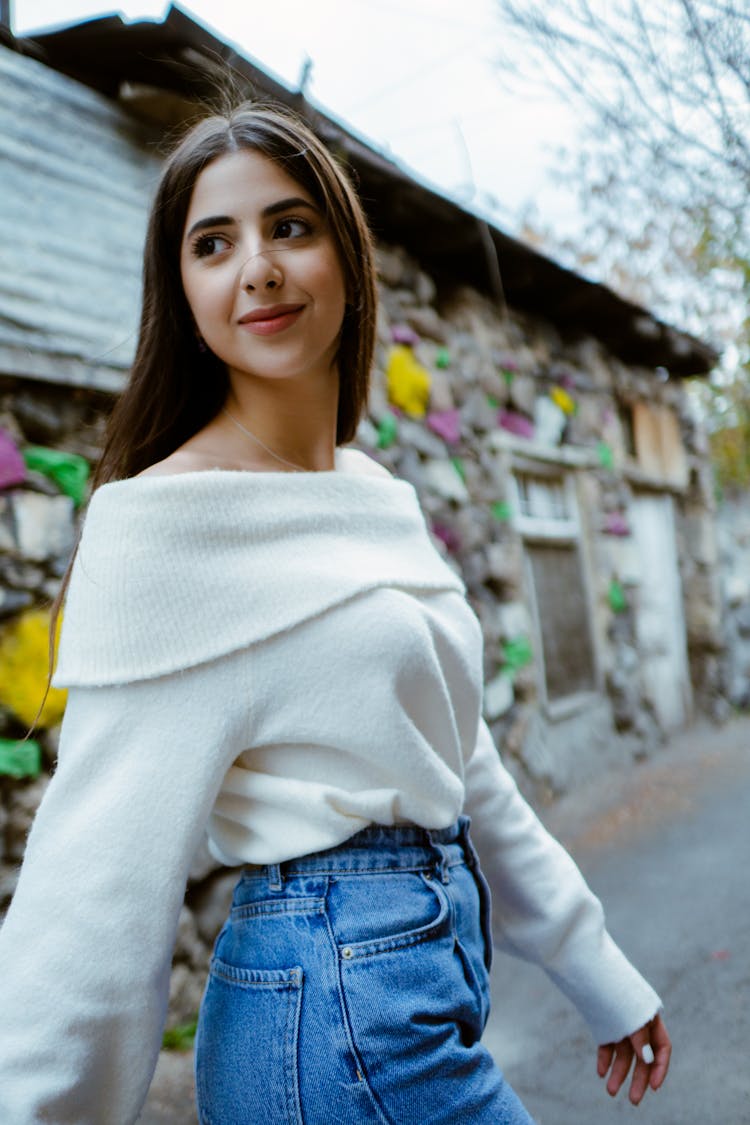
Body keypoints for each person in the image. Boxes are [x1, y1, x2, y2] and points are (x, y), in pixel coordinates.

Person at [0, 102, 671, 1124]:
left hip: (416, 994)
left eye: (290, 226)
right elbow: (94, 887)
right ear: (181, 294)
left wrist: (594, 965)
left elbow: (461, 763)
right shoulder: (167, 528)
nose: (256, 267)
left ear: (349, 263)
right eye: (213, 244)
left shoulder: (375, 492)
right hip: (329, 1018)